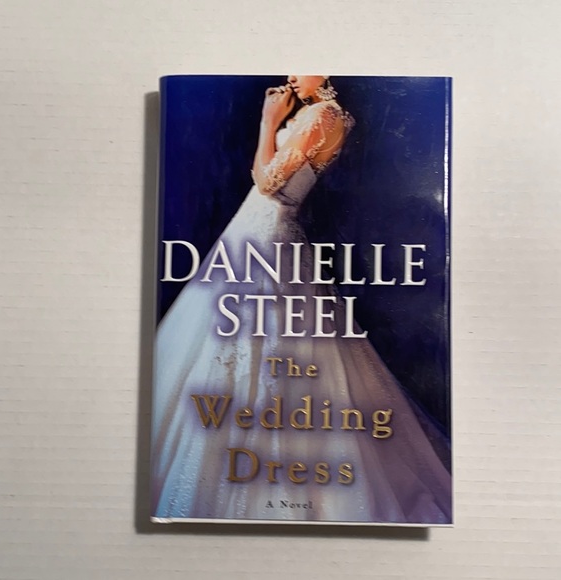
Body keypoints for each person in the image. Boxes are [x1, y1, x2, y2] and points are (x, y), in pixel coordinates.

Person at [151, 76, 452, 523]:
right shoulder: (317, 113)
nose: (291, 76)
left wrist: (267, 123)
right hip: (259, 234)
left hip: (269, 235)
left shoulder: (323, 114)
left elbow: (269, 183)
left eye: (300, 67)